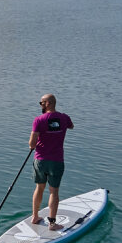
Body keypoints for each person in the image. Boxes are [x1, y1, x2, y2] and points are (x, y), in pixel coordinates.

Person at [28, 93, 74, 230]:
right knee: (54, 191)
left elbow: (32, 144)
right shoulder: (64, 118)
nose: (40, 105)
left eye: (41, 103)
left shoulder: (38, 120)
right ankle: (52, 224)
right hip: (56, 161)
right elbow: (71, 126)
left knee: (39, 188)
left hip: (40, 161)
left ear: (48, 103)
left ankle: (35, 217)